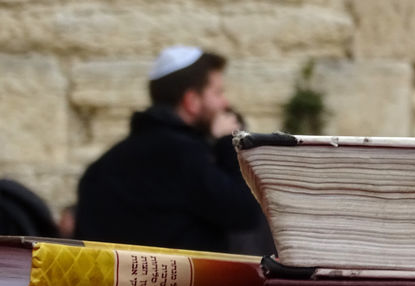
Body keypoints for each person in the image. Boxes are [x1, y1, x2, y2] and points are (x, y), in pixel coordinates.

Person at [75, 46, 269, 254]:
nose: (225, 102)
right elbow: (245, 213)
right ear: (191, 101)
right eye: (218, 93)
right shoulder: (183, 154)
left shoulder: (102, 166)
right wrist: (228, 143)